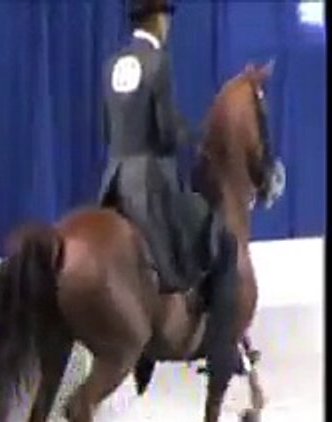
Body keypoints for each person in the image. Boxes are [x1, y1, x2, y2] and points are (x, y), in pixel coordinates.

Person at [98, 0, 240, 378]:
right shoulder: (158, 62)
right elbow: (162, 132)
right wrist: (193, 137)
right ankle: (221, 351)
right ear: (159, 20)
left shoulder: (112, 65)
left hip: (114, 182)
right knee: (222, 239)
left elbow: (108, 129)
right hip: (149, 185)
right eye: (167, 19)